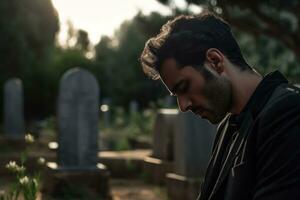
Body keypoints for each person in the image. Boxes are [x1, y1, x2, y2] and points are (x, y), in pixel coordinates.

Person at [140, 11, 300, 200]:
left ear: (215, 62)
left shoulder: (288, 112)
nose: (183, 106)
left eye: (184, 87)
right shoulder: (228, 126)